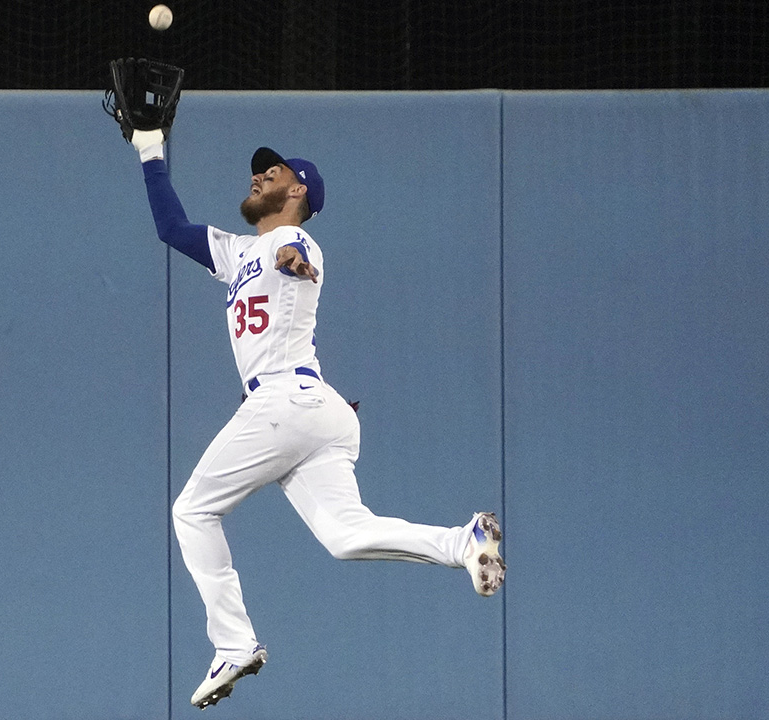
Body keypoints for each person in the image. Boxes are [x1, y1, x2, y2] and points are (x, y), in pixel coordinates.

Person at [124, 127, 505, 710]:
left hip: (283, 401)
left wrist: (292, 257)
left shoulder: (297, 239)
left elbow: (293, 255)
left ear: (298, 190)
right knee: (346, 537)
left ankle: (233, 643)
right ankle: (464, 541)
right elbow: (172, 229)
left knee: (192, 510)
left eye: (272, 172)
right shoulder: (233, 252)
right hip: (317, 411)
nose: (258, 176)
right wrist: (150, 148)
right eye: (258, 171)